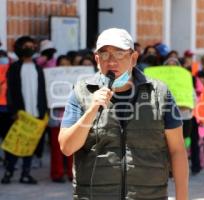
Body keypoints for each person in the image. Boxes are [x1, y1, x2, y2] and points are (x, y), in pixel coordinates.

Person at [58, 28, 189, 200]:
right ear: (97, 60)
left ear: (133, 58)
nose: (111, 61)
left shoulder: (159, 93)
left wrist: (182, 197)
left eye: (119, 53)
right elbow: (67, 147)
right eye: (104, 54)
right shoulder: (81, 92)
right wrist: (91, 110)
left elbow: (177, 150)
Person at [1, 36, 47, 184]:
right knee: (14, 143)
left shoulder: (38, 68)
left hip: (36, 113)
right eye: (26, 45)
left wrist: (43, 110)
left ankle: (25, 174)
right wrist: (13, 111)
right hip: (20, 114)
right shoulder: (14, 68)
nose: (30, 48)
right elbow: (10, 92)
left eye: (32, 45)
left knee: (30, 143)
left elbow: (43, 91)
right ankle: (9, 172)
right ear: (19, 48)